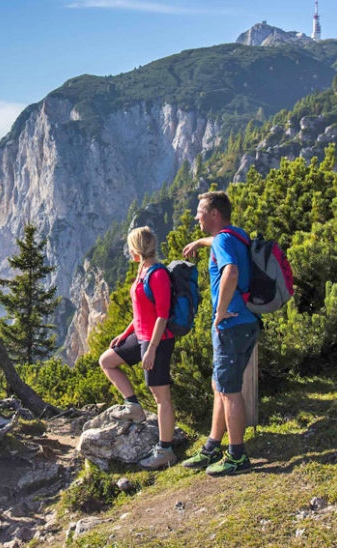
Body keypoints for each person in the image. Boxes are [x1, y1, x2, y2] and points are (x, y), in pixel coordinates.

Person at [179, 191, 258, 476]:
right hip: (247, 322)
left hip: (231, 325)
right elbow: (221, 243)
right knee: (219, 386)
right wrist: (200, 241)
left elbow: (231, 272)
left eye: (200, 211)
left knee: (230, 391)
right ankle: (213, 444)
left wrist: (220, 311)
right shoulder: (236, 235)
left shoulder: (224, 240)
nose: (195, 215)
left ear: (214, 214)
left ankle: (237, 455)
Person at [98, 226, 178, 469]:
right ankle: (133, 406)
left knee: (161, 396)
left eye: (130, 246)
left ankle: (166, 450)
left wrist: (152, 349)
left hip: (157, 340)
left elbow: (162, 316)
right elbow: (141, 311)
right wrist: (124, 334)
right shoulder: (142, 271)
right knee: (107, 361)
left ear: (136, 249)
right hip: (140, 335)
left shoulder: (158, 274)